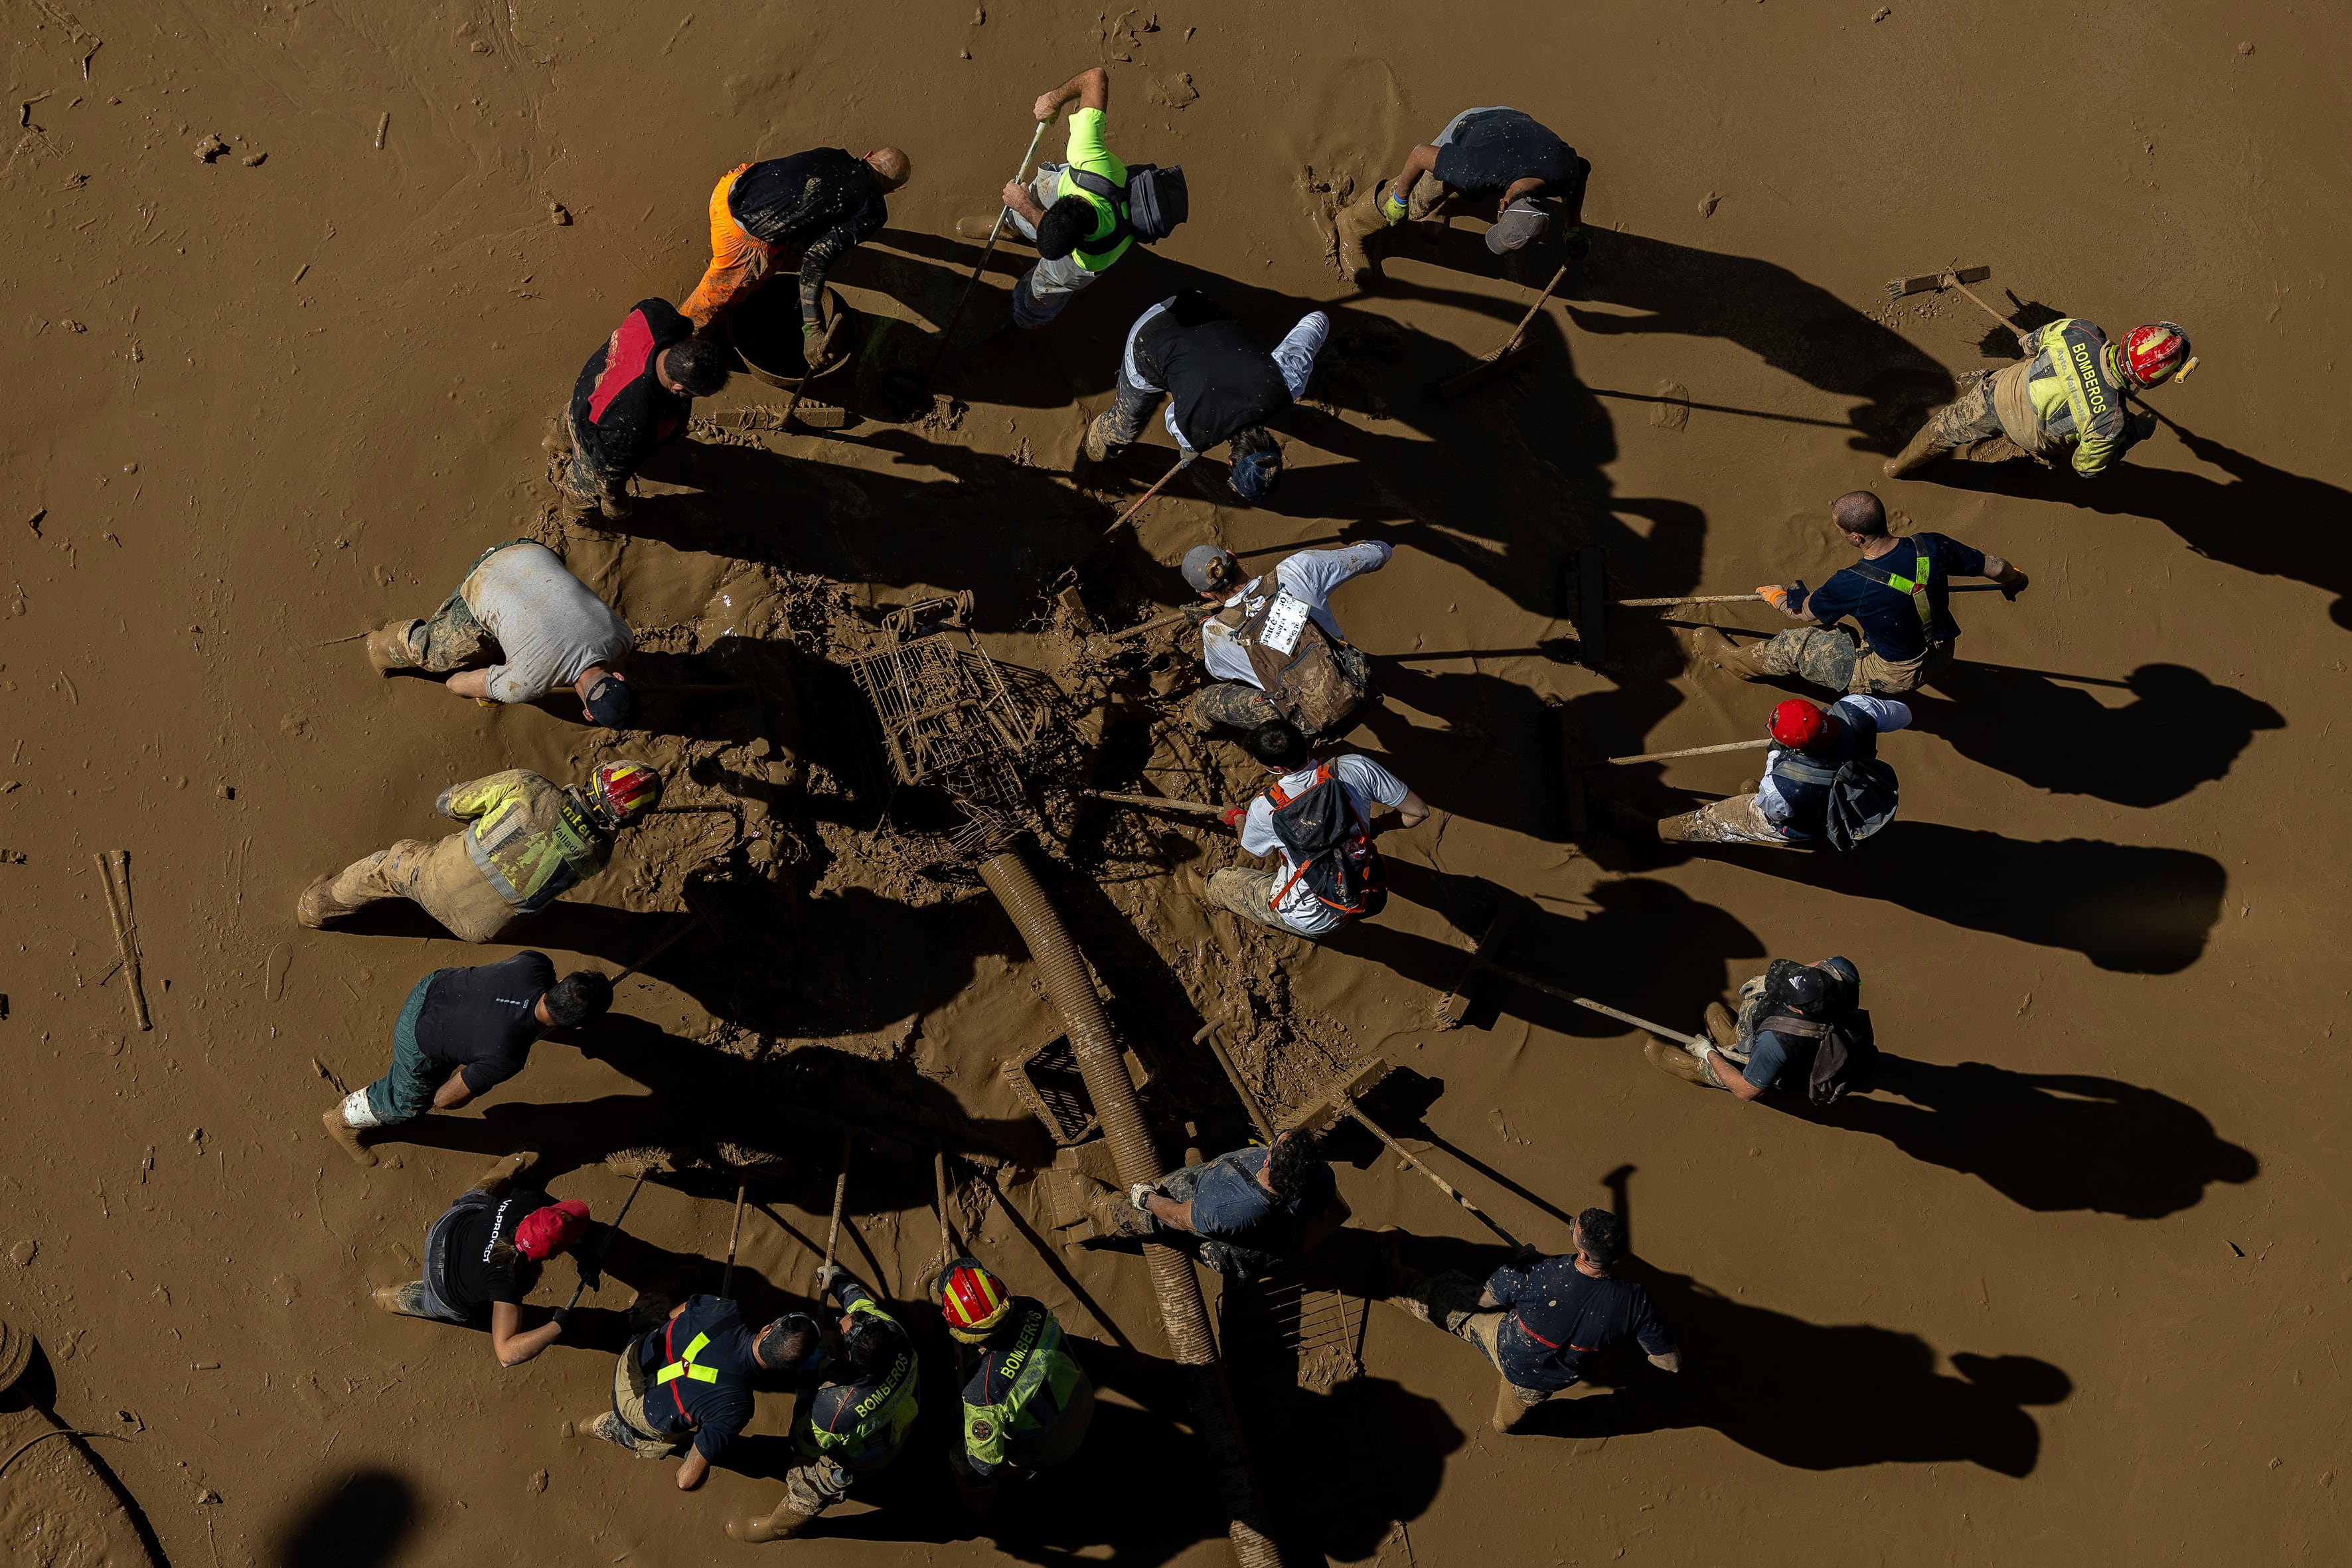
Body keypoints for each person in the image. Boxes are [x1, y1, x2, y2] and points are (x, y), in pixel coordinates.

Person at [295, 759, 663, 943]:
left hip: (435, 879)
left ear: (597, 776)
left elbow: (448, 805)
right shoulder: (601, 856)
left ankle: (315, 908)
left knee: (385, 868)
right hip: (480, 931)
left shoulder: (529, 786)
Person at [1378, 1208, 1678, 1433]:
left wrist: (1521, 1264)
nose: (1573, 1225)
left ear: (1583, 1252)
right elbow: (1670, 1363)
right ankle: (1505, 1423)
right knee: (1505, 1421)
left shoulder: (1539, 1273)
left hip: (1506, 1346)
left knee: (1450, 1299)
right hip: (1543, 1382)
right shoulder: (1635, 1301)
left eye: (1575, 1227)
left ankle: (1393, 1283)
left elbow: (1485, 1301)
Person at [1700, 492, 2028, 695]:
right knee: (1847, 631)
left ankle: (1734, 663)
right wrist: (2013, 581)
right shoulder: (1931, 544)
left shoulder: (1850, 582)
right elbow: (1997, 567)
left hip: (1896, 673)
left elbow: (1805, 613)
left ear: (1856, 537)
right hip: (1942, 651)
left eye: (1841, 530)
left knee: (1793, 645)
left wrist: (1779, 598)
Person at [321, 952, 614, 1166]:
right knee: (408, 1105)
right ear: (577, 1027)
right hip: (416, 1038)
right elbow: (446, 1100)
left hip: (433, 986)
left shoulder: (535, 963)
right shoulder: (508, 1057)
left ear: (561, 980)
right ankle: (342, 1120)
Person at [728, 1263, 918, 1544]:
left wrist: (806, 1382)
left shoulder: (833, 1408)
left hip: (867, 1453)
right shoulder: (891, 1333)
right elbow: (859, 1305)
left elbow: (801, 1443)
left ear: (851, 1361)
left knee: (809, 1481)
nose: (840, 1319)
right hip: (902, 1410)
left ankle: (781, 1527)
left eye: (839, 1333)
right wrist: (838, 1279)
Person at [1084, 290, 1328, 504]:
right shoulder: (1195, 432)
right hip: (1147, 336)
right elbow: (1171, 415)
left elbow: (1317, 320)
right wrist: (1190, 445)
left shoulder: (1288, 383)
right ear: (1231, 463)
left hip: (1196, 304)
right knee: (1124, 425)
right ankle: (1092, 452)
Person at [364, 539, 641, 724]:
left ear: (618, 676)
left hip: (530, 550)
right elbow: (455, 684)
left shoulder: (623, 637)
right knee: (433, 656)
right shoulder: (526, 682)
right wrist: (493, 692)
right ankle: (379, 647)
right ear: (588, 715)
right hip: (486, 577)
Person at [1885, 318, 2192, 479]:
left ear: (2129, 337)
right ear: (2150, 384)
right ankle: (2020, 447)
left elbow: (2029, 343)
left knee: (1944, 428)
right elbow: (2086, 468)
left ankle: (1898, 467)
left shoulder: (2080, 330)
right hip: (2032, 436)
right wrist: (2135, 432)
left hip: (1997, 395)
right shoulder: (2110, 421)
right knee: (2070, 439)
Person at [1200, 724, 1427, 939]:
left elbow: (1254, 853)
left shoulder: (1264, 808)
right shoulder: (1356, 767)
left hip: (1309, 916)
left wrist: (1240, 818)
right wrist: (1376, 826)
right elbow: (1418, 812)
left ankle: (1211, 890)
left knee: (1220, 883)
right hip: (1365, 893)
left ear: (1278, 769)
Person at [371, 1150, 593, 1369]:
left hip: (446, 1230)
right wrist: (557, 1327)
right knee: (450, 1306)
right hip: (444, 1288)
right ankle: (393, 1298)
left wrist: (583, 1253)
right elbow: (506, 1354)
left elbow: (545, 1228)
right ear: (553, 1256)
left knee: (476, 1200)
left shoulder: (524, 1201)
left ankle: (512, 1163)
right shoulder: (510, 1281)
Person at [587, 1296, 823, 1492]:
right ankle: (603, 1429)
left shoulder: (725, 1308)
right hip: (637, 1412)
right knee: (677, 1440)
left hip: (630, 1363)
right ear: (787, 1369)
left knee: (666, 1318)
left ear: (767, 1328)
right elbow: (686, 1480)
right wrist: (702, 1459)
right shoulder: (736, 1406)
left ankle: (633, 1320)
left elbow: (674, 1315)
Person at [678, 146, 911, 337]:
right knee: (716, 300)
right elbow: (815, 262)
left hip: (730, 187)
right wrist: (814, 328)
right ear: (890, 191)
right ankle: (675, 340)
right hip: (738, 238)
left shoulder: (832, 154)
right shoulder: (874, 212)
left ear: (869, 155)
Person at [1340, 107, 1591, 280]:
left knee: (1471, 188)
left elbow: (1580, 178)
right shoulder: (1474, 171)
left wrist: (1572, 229)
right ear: (1502, 204)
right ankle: (1353, 223)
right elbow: (1418, 155)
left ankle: (1442, 203)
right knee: (1419, 201)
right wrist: (1400, 199)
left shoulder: (1565, 173)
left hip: (1521, 132)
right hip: (1476, 123)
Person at [1182, 540, 1391, 738]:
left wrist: (1204, 623)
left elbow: (1219, 673)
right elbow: (1380, 553)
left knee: (1207, 699)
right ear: (1232, 555)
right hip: (1360, 687)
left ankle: (1197, 723)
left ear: (1206, 595)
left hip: (1309, 724)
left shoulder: (1214, 633)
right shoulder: (1297, 569)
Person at [935, 1259, 1095, 1512]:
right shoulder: (1032, 1308)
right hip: (1084, 1397)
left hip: (1054, 1447)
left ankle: (981, 1506)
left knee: (961, 1459)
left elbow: (984, 1466)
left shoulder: (983, 1393)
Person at [555, 298, 734, 522]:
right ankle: (575, 510)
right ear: (677, 387)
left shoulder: (658, 316)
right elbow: (609, 470)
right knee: (584, 486)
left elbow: (643, 305)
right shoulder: (632, 420)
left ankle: (556, 441)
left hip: (588, 393)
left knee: (568, 420)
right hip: (596, 434)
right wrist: (614, 500)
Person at [1654, 696, 1908, 848]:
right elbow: (1903, 716)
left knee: (1724, 818)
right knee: (1783, 798)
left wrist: (1774, 755)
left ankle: (1659, 830)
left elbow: (1771, 809)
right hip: (1859, 787)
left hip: (1799, 813)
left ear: (1794, 747)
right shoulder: (1856, 707)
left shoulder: (1783, 787)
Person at [1098, 1128, 1348, 1280]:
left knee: (1152, 1214)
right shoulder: (1318, 1174)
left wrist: (1148, 1198)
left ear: (1267, 1162)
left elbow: (1177, 1217)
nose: (1272, 1141)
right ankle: (1195, 1169)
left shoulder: (1226, 1207)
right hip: (1276, 1228)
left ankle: (1107, 1213)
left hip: (1226, 1229)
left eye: (1274, 1143)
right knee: (1194, 1176)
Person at [999, 65, 1135, 330]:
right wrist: (1053, 99)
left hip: (1073, 266)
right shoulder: (1089, 158)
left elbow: (1057, 236)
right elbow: (1096, 76)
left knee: (1043, 289)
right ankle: (1014, 224)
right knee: (1039, 191)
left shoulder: (1089, 259)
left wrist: (1023, 204)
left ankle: (1025, 318)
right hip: (1091, 185)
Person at [1646, 956, 1863, 1098]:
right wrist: (1772, 980)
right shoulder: (1841, 972)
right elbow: (1813, 968)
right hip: (1799, 1033)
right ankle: (1734, 1036)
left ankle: (1695, 1068)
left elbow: (1746, 1090)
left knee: (1725, 1066)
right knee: (1752, 1010)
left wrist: (1709, 1052)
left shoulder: (1776, 1041)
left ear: (1798, 1011)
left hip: (1782, 1055)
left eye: (1783, 995)